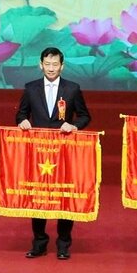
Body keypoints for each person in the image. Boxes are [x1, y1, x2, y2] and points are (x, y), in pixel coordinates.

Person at [15, 47, 91, 260]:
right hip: (38, 151)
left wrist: (74, 126)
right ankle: (39, 242)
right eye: (47, 64)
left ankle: (63, 244)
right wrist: (22, 120)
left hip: (64, 150)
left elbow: (85, 116)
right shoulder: (31, 88)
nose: (51, 68)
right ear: (40, 65)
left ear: (62, 66)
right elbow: (21, 113)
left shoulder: (72, 88)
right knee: (38, 196)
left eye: (55, 64)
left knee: (63, 196)